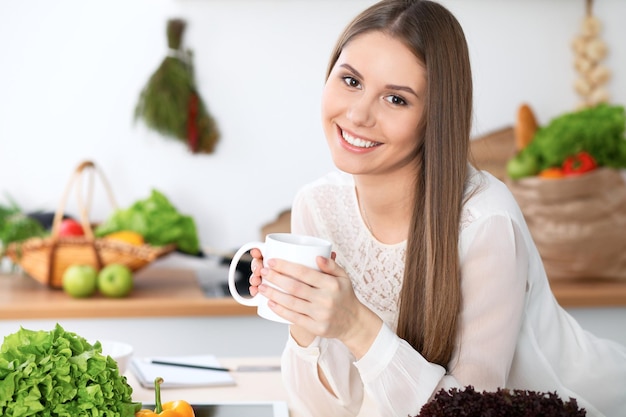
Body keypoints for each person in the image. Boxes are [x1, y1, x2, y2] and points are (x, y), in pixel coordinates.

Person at [248, 1, 626, 416]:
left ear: (435, 117)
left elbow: (470, 409)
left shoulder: (484, 222)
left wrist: (356, 326)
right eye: (351, 81)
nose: (358, 114)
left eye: (396, 99)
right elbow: (324, 410)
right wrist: (305, 319)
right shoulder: (318, 206)